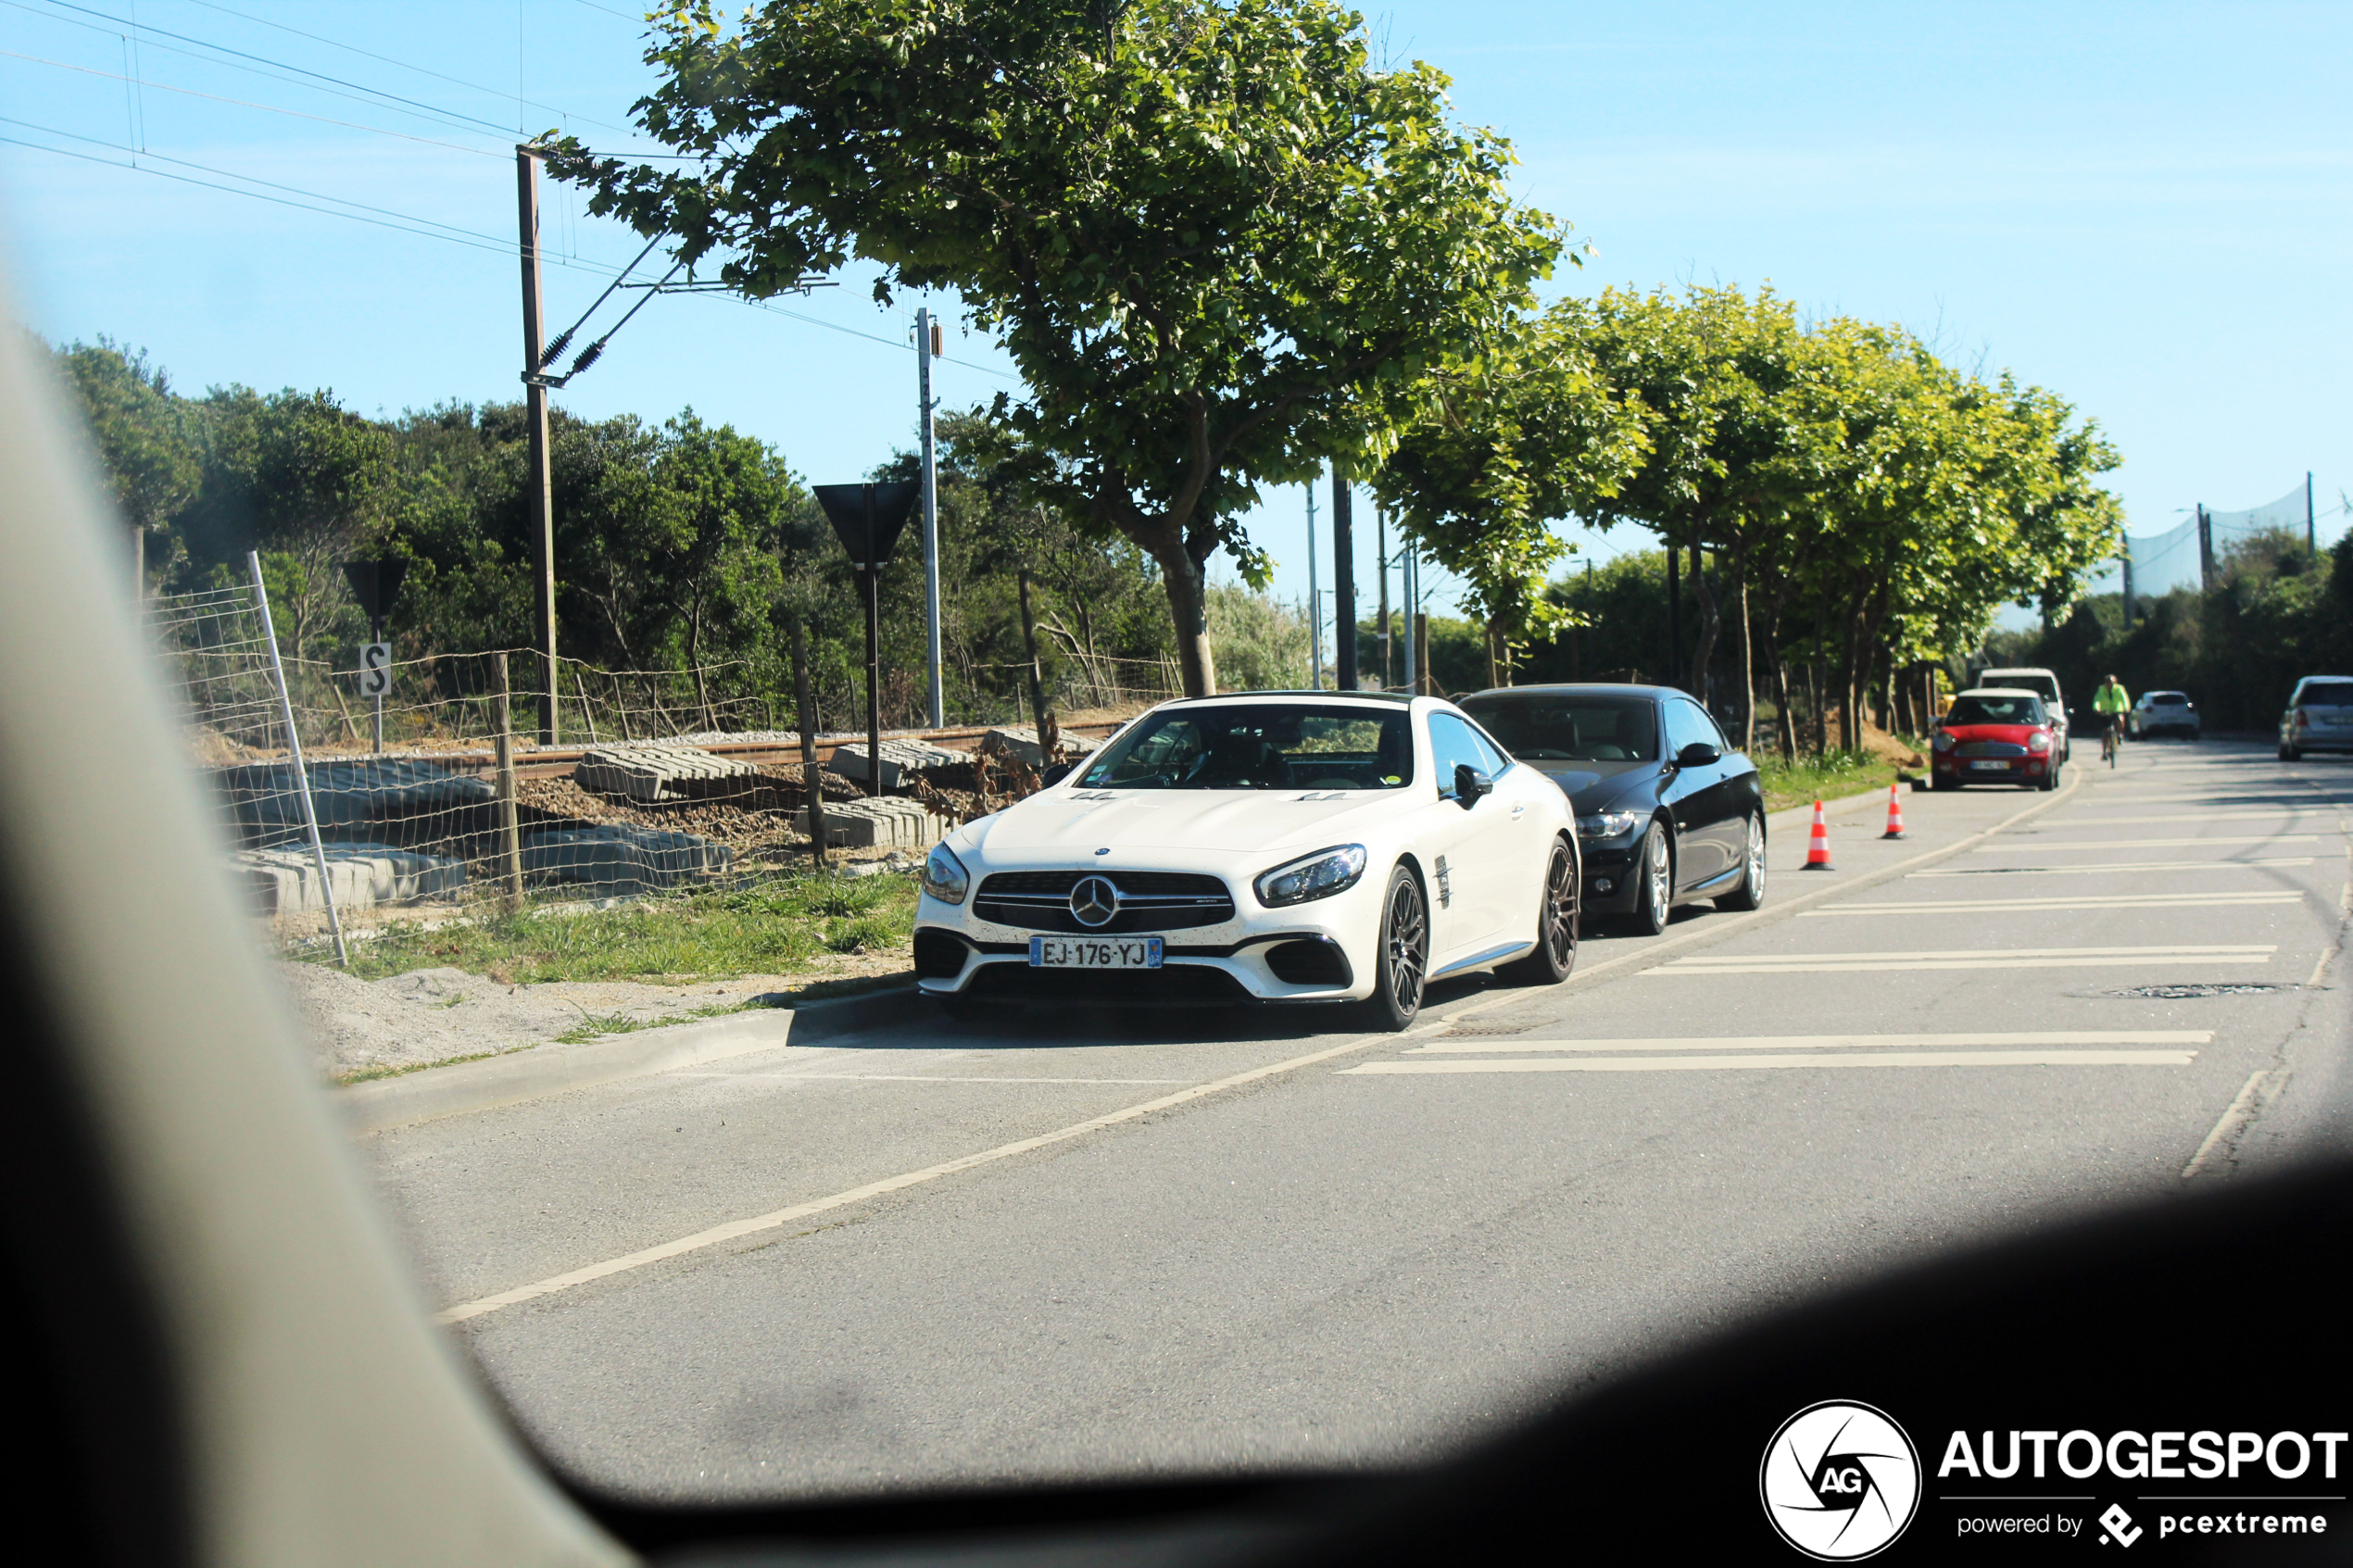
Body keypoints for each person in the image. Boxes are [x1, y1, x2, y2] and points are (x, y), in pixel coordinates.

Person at [2094, 674, 2131, 747]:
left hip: (2117, 709)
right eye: (2108, 682)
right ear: (2105, 683)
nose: (2110, 684)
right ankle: (2104, 752)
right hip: (2105, 711)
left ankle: (2120, 734)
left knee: (2120, 719)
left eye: (2112, 682)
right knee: (2105, 732)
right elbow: (2097, 699)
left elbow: (2124, 698)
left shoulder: (2120, 688)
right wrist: (2096, 708)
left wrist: (2126, 707)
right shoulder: (2101, 689)